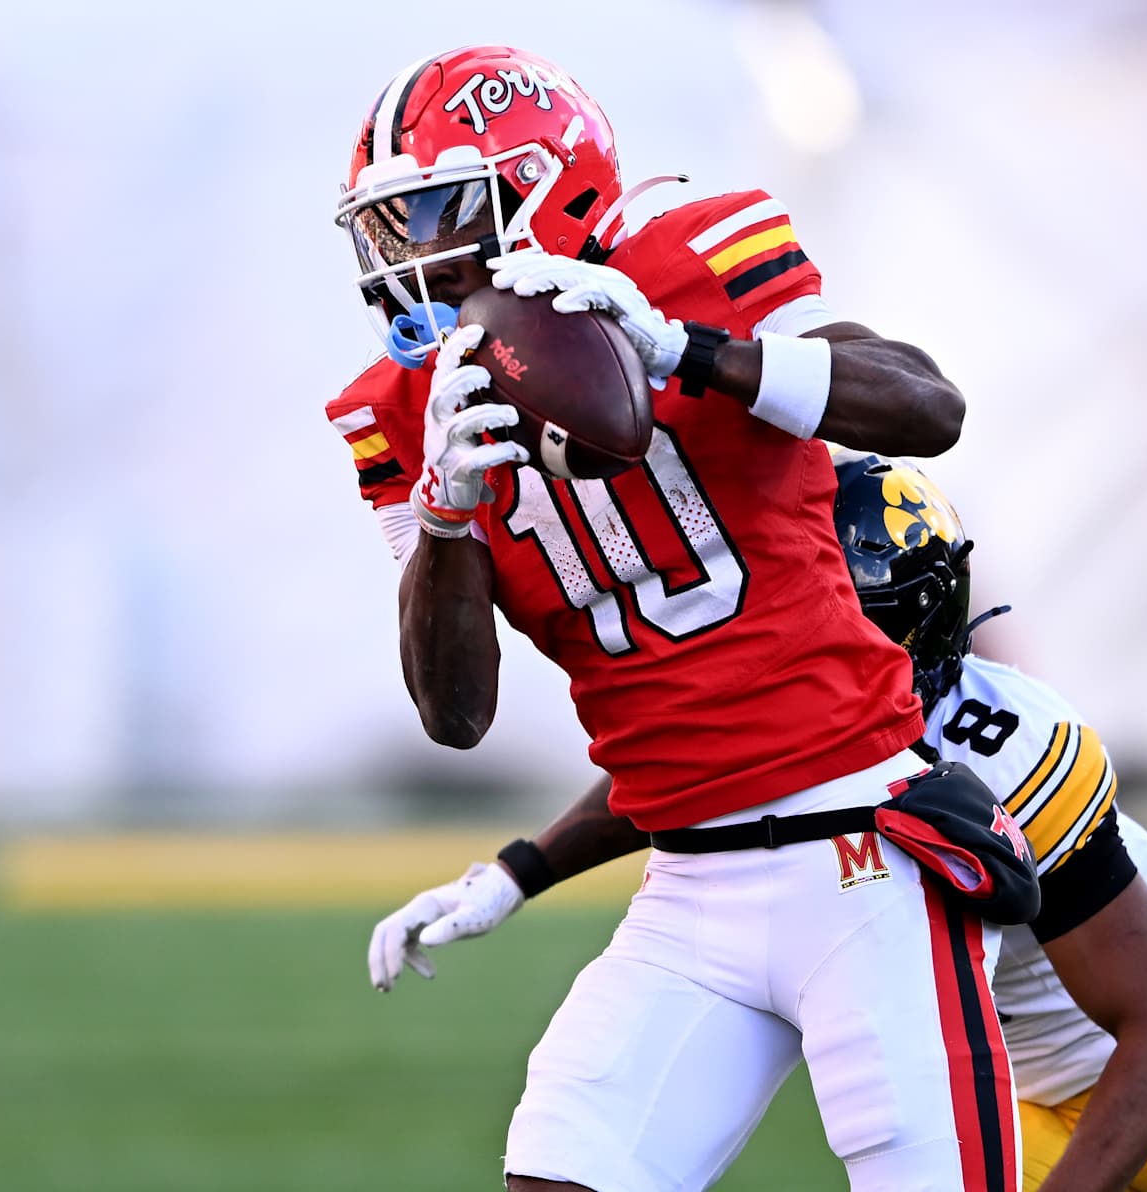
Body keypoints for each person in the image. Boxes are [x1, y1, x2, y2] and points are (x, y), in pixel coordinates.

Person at [328, 45, 1019, 1192]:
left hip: (863, 851)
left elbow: (926, 407)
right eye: (389, 228)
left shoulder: (687, 262)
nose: (410, 258)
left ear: (548, 187)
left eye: (438, 211)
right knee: (561, 1172)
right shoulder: (404, 408)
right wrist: (447, 513)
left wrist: (682, 349)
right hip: (690, 887)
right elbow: (455, 714)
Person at [374, 452, 1147, 1192]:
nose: (807, 656)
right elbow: (684, 778)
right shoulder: (780, 713)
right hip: (1003, 1086)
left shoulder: (1011, 745)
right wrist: (516, 871)